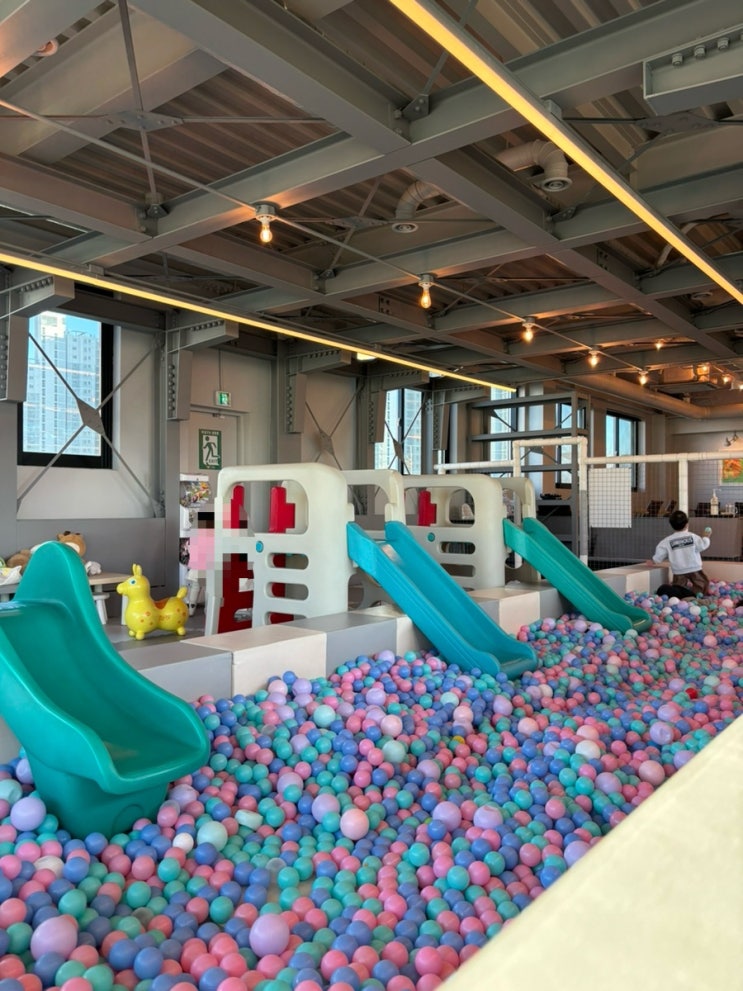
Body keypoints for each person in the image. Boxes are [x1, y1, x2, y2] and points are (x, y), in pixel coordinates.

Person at [647, 509, 711, 596]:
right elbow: (703, 545)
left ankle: (682, 597)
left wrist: (654, 560)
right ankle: (697, 596)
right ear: (687, 524)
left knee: (678, 587)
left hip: (678, 570)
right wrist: (706, 537)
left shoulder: (667, 541)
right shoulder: (692, 537)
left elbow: (660, 552)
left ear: (672, 525)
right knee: (701, 584)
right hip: (694, 568)